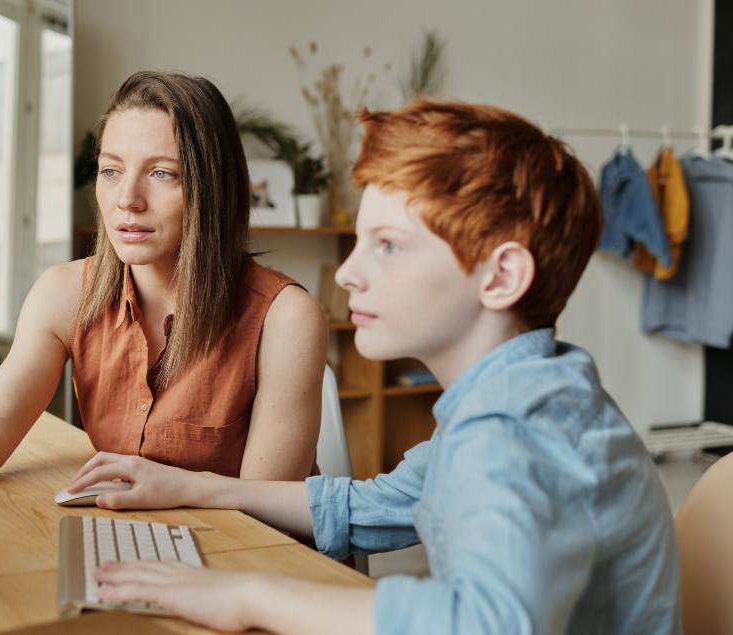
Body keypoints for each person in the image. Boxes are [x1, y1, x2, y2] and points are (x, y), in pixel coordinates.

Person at [66, 100, 681, 634]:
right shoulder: (525, 395)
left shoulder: (517, 430)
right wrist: (193, 487)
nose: (347, 273)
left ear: (501, 277)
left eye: (387, 245)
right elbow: (373, 507)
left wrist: (249, 594)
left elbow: (485, 624)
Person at [0, 70, 328, 481]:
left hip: (251, 574)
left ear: (215, 188)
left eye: (163, 174)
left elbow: (264, 517)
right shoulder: (66, 293)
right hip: (141, 552)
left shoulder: (286, 318)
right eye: (111, 170)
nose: (126, 200)